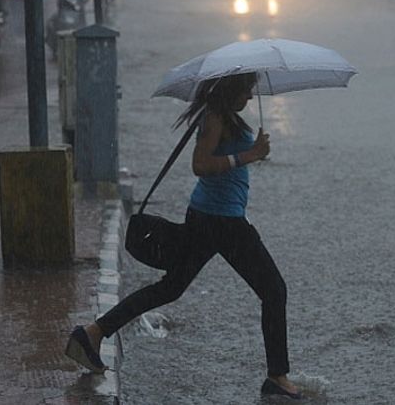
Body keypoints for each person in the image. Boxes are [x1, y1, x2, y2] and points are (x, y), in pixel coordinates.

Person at [64, 72, 303, 400]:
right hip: (222, 222)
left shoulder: (225, 116)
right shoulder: (216, 116)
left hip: (212, 217)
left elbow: (221, 164)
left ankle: (92, 333)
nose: (249, 97)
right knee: (274, 290)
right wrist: (249, 155)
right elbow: (200, 165)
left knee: (171, 288)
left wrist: (250, 154)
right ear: (232, 89)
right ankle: (277, 377)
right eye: (246, 90)